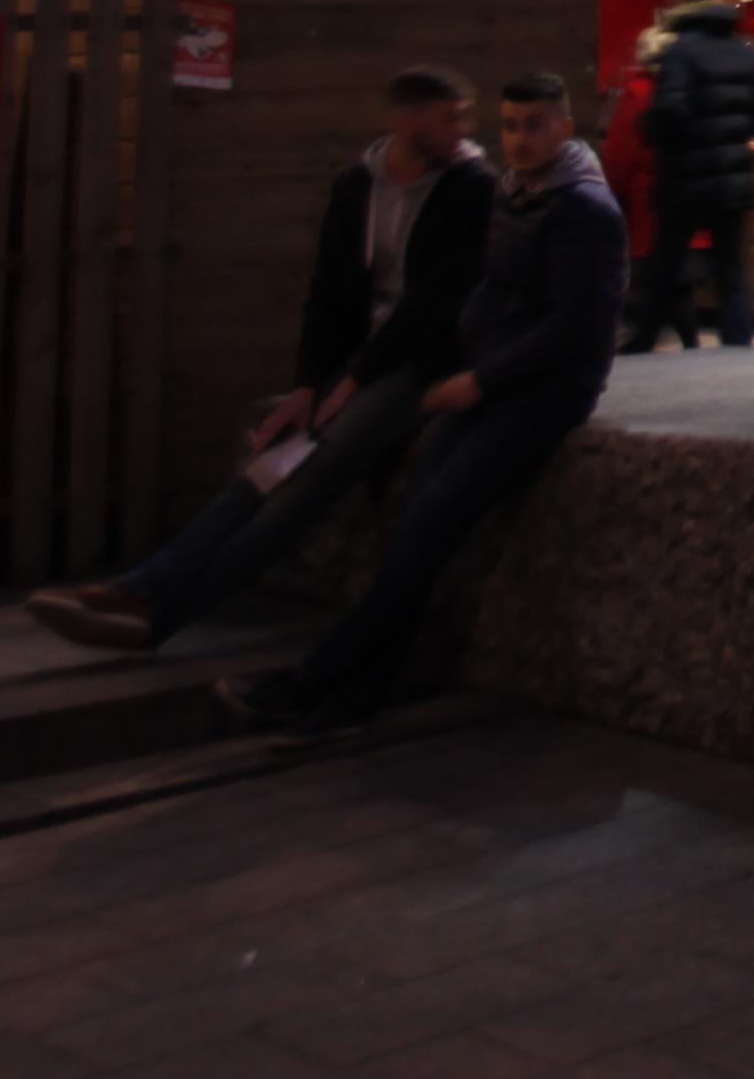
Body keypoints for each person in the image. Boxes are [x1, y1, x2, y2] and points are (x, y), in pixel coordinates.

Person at [29, 67, 491, 653]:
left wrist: (355, 379)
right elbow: (329, 293)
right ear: (405, 120)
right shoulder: (357, 186)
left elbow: (435, 303)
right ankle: (142, 588)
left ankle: (160, 611)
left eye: (463, 118)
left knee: (312, 477)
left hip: (419, 362)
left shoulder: (470, 188)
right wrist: (306, 385)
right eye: (448, 117)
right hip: (359, 356)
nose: (462, 130)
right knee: (268, 467)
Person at [220, 72, 627, 735]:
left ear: (563, 128)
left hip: (540, 395)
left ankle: (318, 682)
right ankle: (356, 688)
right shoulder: (515, 196)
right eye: (510, 126)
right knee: (416, 524)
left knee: (429, 524)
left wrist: (482, 379)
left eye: (533, 126)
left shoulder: (583, 209)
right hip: (487, 384)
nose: (518, 140)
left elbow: (578, 329)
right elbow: (492, 290)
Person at [623, 0, 754, 353]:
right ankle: (738, 344)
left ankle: (644, 339)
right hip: (732, 177)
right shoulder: (743, 50)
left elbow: (671, 110)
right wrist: (736, 133)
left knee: (666, 262)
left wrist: (656, 132)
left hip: (687, 176)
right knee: (731, 269)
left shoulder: (682, 51)